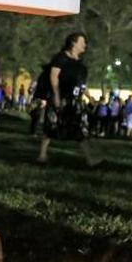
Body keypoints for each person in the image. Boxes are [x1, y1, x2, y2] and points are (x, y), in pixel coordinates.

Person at [35, 33, 101, 166]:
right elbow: (54, 77)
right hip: (60, 97)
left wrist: (89, 96)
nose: (85, 45)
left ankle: (89, 159)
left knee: (80, 128)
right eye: (82, 42)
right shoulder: (61, 58)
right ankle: (42, 155)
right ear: (73, 43)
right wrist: (56, 96)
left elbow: (81, 83)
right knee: (52, 126)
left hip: (74, 101)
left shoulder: (79, 63)